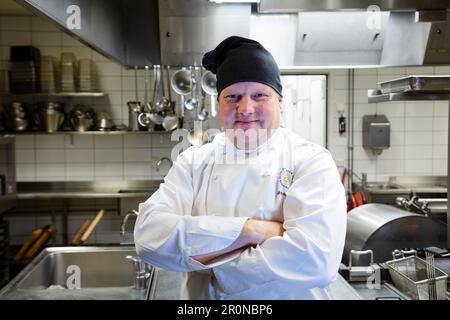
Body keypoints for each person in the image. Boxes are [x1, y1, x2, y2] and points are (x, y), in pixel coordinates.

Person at [134, 36, 347, 299]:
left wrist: (204, 261)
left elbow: (315, 261)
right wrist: (253, 231)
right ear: (219, 104)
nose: (245, 108)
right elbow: (148, 238)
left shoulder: (311, 161)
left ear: (279, 101)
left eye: (259, 95)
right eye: (232, 96)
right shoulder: (193, 162)